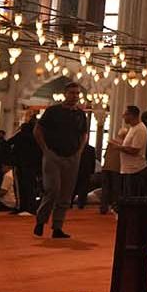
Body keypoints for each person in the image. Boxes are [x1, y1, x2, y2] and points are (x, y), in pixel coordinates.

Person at [33, 83, 88, 240]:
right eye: (72, 93)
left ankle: (58, 227)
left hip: (72, 156)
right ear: (65, 94)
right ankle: (41, 220)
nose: (75, 96)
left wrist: (79, 151)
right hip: (53, 156)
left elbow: (84, 134)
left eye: (77, 93)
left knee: (66, 193)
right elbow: (38, 130)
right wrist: (45, 150)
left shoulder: (80, 114)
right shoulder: (53, 111)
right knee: (53, 189)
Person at [98, 105, 139, 214]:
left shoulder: (111, 142)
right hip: (116, 169)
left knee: (105, 189)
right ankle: (116, 207)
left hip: (106, 167)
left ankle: (103, 208)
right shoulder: (123, 144)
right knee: (116, 189)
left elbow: (105, 155)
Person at [110, 106, 147, 212]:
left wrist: (118, 147)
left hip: (136, 170)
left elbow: (135, 150)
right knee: (126, 199)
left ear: (131, 115)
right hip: (128, 169)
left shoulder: (140, 129)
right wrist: (118, 144)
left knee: (133, 200)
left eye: (125, 114)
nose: (123, 117)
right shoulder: (132, 129)